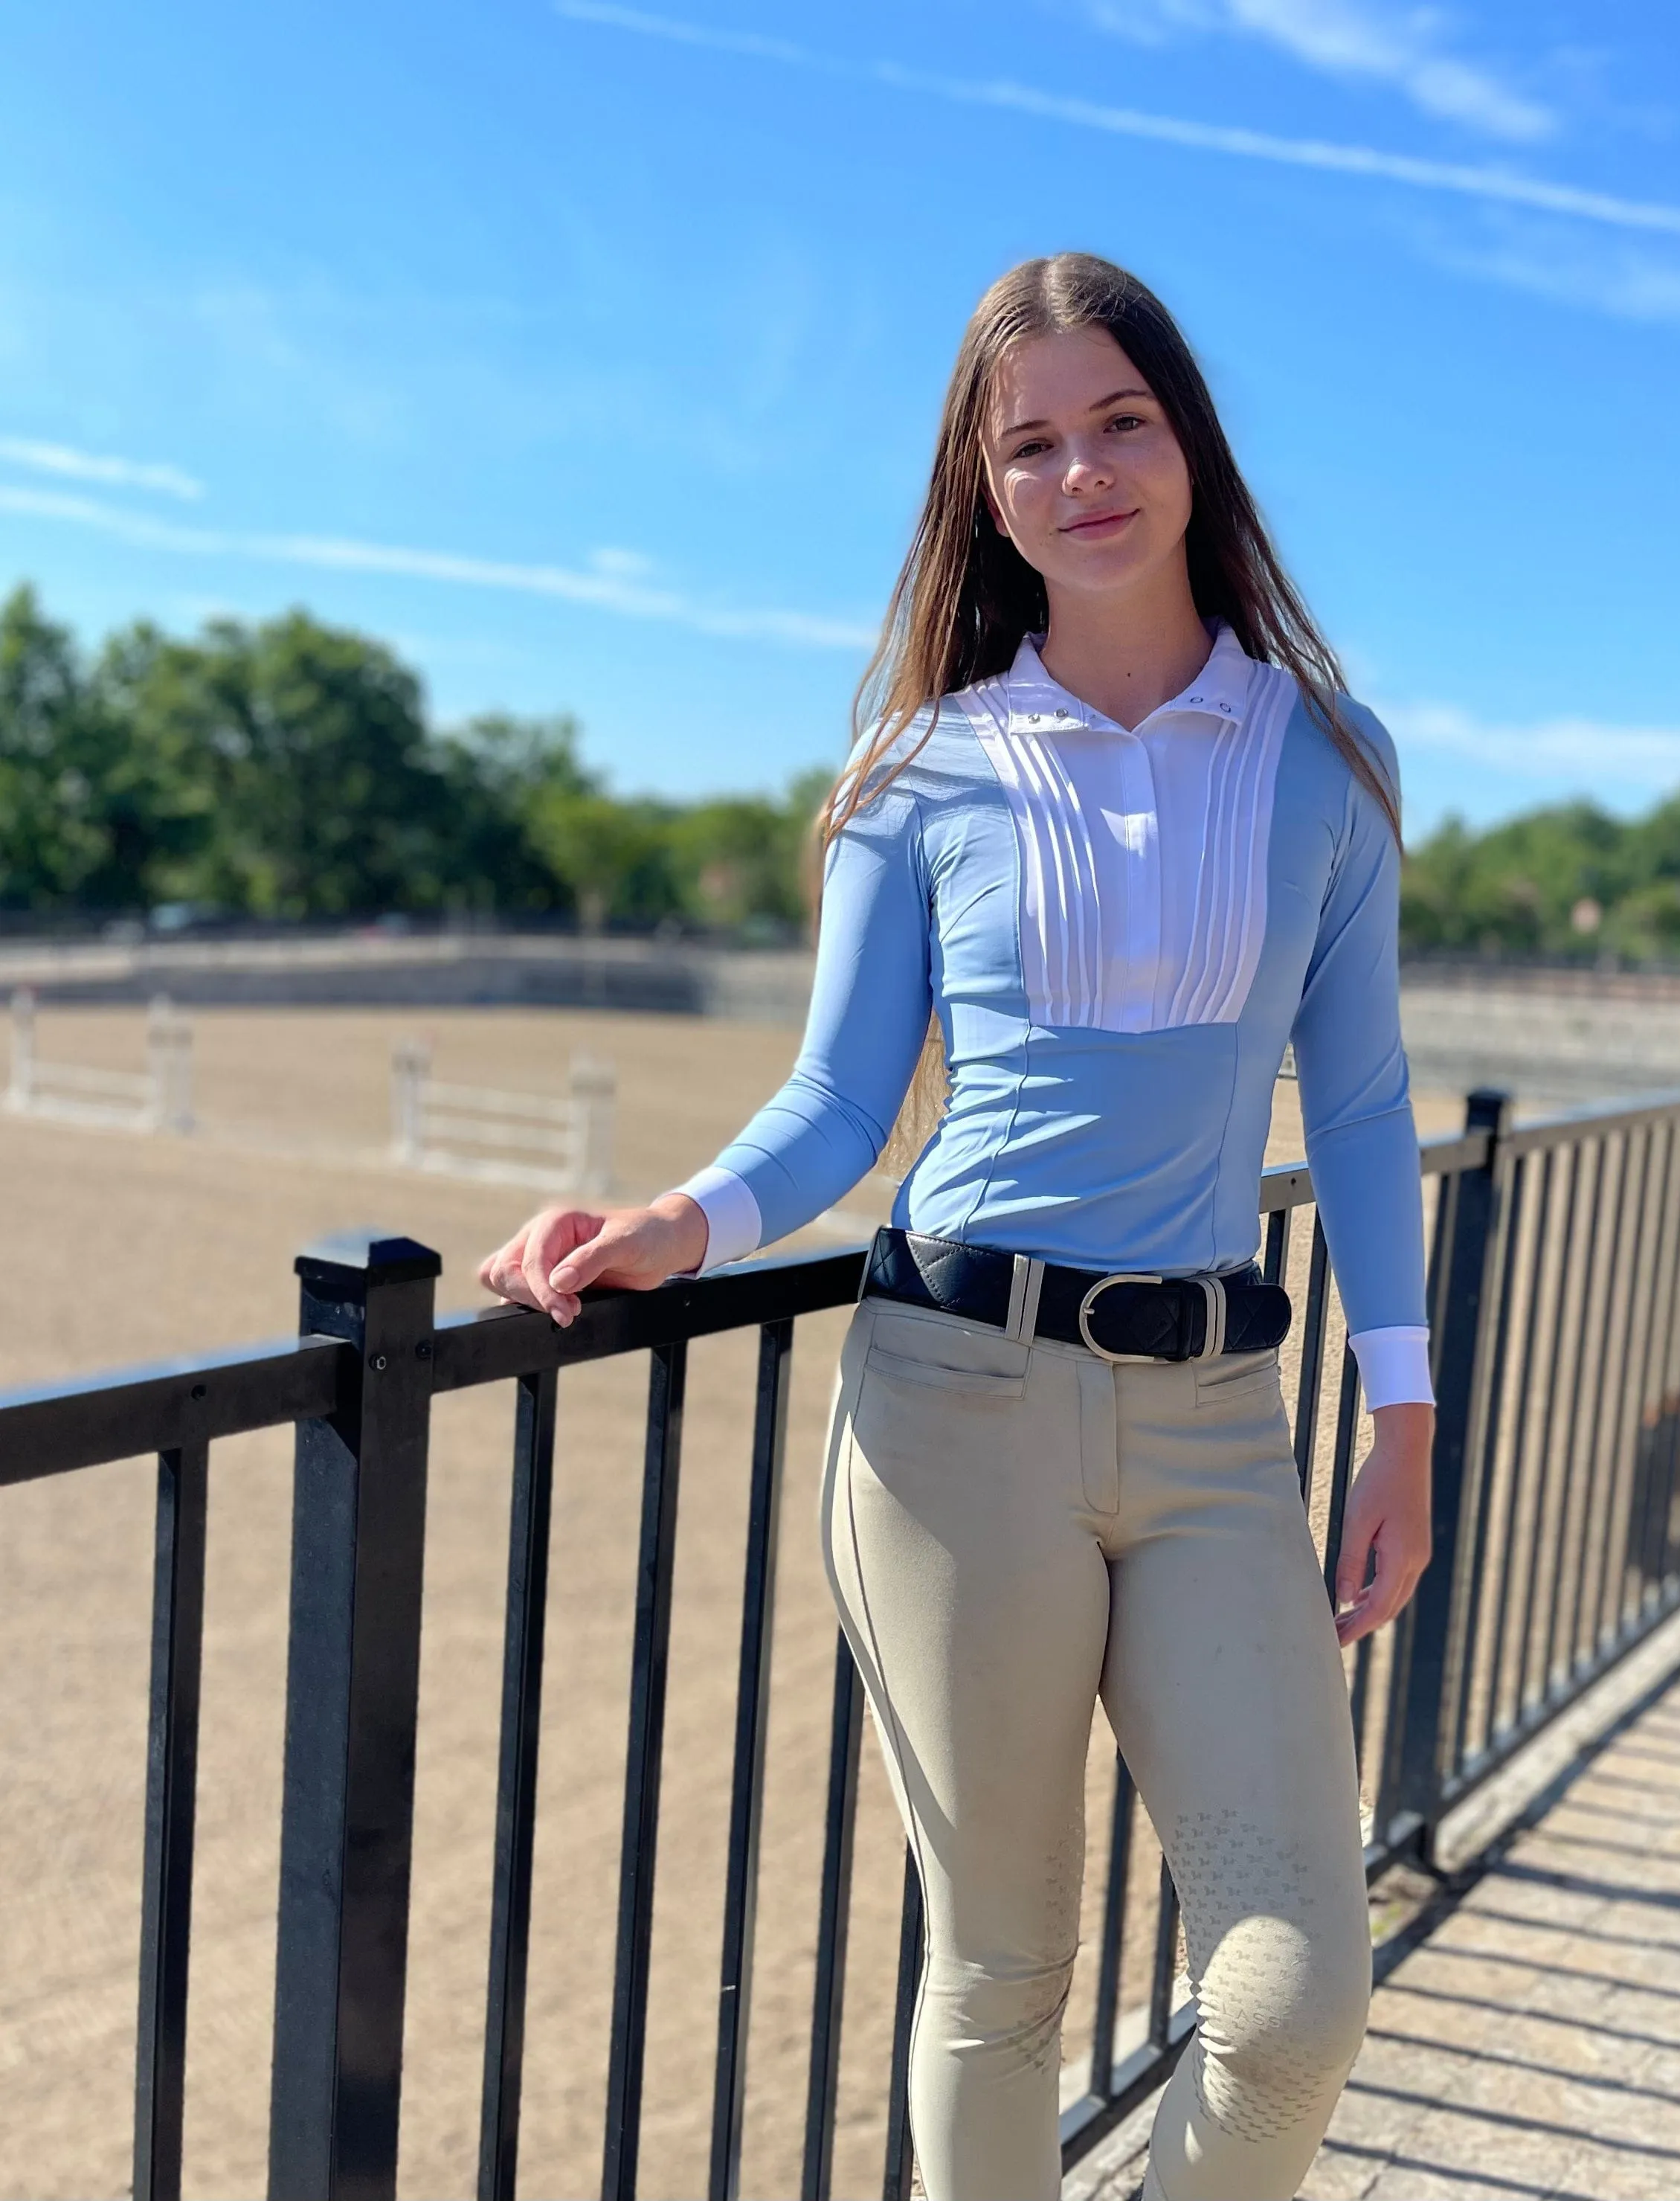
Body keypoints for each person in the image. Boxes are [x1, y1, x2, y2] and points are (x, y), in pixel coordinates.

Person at [477, 253, 1435, 2201]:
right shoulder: (918, 777)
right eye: (1031, 444)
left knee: (1292, 1995)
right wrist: (673, 1218)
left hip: (1218, 1427)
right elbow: (839, 1106)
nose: (1083, 473)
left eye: (1121, 422)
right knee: (1000, 1974)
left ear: (1190, 444)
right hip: (948, 1409)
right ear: (978, 491)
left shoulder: (1331, 759)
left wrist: (1404, 1409)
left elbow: (1354, 1107)